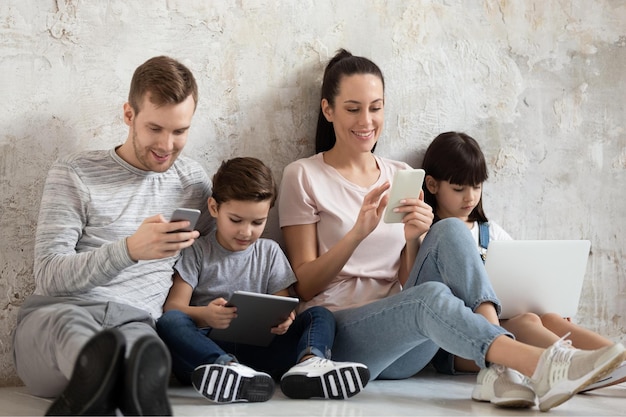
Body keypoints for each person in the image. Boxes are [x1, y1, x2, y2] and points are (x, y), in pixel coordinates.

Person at [277, 48, 626, 412]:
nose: (367, 120)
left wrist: (412, 239)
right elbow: (305, 285)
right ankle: (537, 366)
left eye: (376, 107)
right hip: (346, 340)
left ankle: (497, 368)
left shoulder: (399, 174)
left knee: (452, 231)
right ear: (328, 110)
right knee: (429, 296)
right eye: (353, 109)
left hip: (409, 343)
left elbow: (405, 280)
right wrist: (357, 234)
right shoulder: (303, 176)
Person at [12, 55, 213, 416]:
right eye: (155, 128)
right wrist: (129, 250)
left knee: (143, 347)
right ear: (129, 115)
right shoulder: (75, 172)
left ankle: (116, 388)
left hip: (135, 319)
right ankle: (103, 375)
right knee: (73, 330)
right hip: (56, 318)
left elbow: (212, 257)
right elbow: (48, 273)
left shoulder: (193, 184)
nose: (167, 145)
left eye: (179, 131)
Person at [421, 130, 626, 393]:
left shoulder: (489, 231)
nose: (470, 197)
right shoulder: (432, 234)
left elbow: (523, 275)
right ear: (433, 185)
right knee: (528, 321)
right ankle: (575, 365)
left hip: (504, 327)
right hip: (457, 345)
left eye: (477, 186)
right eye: (459, 189)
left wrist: (549, 300)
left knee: (546, 316)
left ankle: (614, 358)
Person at [156, 157, 369, 404]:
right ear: (214, 208)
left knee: (319, 315)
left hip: (261, 352)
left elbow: (284, 307)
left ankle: (309, 365)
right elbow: (173, 308)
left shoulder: (269, 252)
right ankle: (226, 368)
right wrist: (207, 315)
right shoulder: (197, 251)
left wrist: (284, 322)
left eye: (258, 222)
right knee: (170, 322)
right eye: (236, 220)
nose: (246, 232)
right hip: (205, 352)